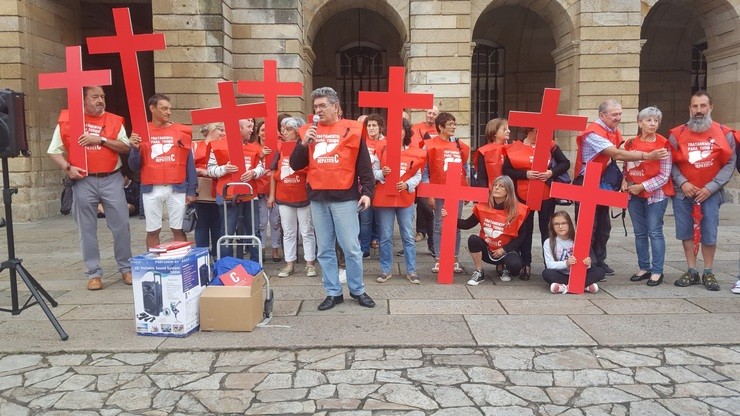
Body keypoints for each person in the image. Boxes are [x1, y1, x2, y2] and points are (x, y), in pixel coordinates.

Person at [289, 87, 376, 310]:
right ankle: (333, 292)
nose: (318, 111)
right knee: (324, 249)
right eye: (315, 107)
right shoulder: (307, 131)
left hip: (345, 197)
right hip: (318, 198)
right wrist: (303, 143)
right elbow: (295, 165)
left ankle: (357, 290)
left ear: (335, 107)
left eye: (322, 106)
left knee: (351, 247)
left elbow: (363, 164)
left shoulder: (353, 129)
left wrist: (367, 192)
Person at [47, 86, 133, 290]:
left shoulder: (114, 120)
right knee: (86, 229)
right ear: (83, 100)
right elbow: (54, 151)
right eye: (95, 97)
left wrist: (101, 140)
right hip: (84, 180)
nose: (100, 100)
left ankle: (126, 268)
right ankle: (94, 273)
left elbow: (126, 147)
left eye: (102, 97)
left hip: (111, 178)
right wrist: (67, 168)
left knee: (121, 225)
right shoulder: (67, 121)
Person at [574, 99, 668, 276]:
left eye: (620, 114)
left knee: (603, 225)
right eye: (614, 114)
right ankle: (588, 263)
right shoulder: (593, 132)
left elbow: (621, 153)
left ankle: (600, 260)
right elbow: (616, 154)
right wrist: (648, 155)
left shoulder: (612, 130)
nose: (618, 118)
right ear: (602, 115)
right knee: (588, 225)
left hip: (602, 181)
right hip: (587, 181)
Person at [668, 91, 736, 291]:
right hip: (684, 193)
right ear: (689, 109)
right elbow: (669, 163)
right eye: (695, 106)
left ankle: (708, 271)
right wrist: (683, 183)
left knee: (709, 232)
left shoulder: (725, 134)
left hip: (711, 194)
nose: (698, 110)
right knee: (685, 232)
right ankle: (691, 270)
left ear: (711, 107)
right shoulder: (676, 134)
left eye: (703, 106)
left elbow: (730, 164)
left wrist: (710, 188)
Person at [129, 93, 197, 249]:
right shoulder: (141, 131)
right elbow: (134, 166)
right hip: (151, 188)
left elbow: (188, 162)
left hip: (176, 187)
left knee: (178, 228)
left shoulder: (181, 131)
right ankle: (154, 263)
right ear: (152, 108)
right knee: (153, 230)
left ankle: (180, 263)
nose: (168, 112)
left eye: (170, 109)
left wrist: (192, 189)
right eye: (164, 108)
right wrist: (134, 149)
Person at [503, 127, 570, 280]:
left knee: (547, 229)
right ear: (529, 131)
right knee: (525, 230)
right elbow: (506, 169)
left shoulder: (551, 145)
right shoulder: (514, 148)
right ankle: (526, 264)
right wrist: (524, 174)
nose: (540, 135)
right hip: (523, 193)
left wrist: (551, 172)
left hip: (545, 193)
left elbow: (565, 163)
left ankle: (550, 264)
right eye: (536, 132)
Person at [621, 106, 673, 287]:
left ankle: (657, 271)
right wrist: (624, 182)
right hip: (633, 194)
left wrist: (642, 186)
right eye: (649, 120)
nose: (653, 123)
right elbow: (626, 166)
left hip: (655, 195)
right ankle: (644, 267)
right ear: (639, 122)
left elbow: (665, 175)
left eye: (656, 120)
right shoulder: (630, 144)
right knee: (639, 232)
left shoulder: (664, 144)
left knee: (654, 232)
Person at [373, 118, 425, 284]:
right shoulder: (381, 148)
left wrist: (407, 184)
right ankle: (385, 269)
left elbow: (418, 175)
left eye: (402, 129)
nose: (399, 132)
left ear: (406, 131)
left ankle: (411, 270)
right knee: (385, 236)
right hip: (385, 199)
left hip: (405, 199)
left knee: (408, 236)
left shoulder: (415, 151)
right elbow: (372, 171)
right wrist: (382, 173)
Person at [450, 175, 528, 285]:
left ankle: (505, 268)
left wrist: (504, 249)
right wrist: (449, 217)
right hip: (488, 250)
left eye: (501, 186)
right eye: (495, 185)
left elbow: (522, 236)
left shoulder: (518, 210)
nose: (496, 188)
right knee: (473, 239)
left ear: (509, 191)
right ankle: (479, 271)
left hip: (506, 251)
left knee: (515, 266)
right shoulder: (484, 206)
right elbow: (467, 224)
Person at [207, 118, 265, 260]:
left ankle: (256, 264)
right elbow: (210, 170)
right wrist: (224, 169)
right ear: (238, 129)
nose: (252, 130)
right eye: (249, 127)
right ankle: (225, 266)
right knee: (227, 232)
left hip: (250, 195)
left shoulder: (255, 148)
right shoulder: (217, 146)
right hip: (227, 195)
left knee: (253, 231)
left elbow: (262, 167)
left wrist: (254, 173)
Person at [268, 117, 317, 278]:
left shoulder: (306, 146)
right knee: (288, 232)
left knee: (307, 231)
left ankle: (310, 264)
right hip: (284, 196)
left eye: (288, 129)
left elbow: (312, 168)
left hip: (303, 196)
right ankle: (289, 264)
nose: (284, 132)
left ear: (297, 132)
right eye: (283, 129)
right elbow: (273, 171)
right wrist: (271, 195)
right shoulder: (280, 147)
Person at [422, 112, 470, 274]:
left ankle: (454, 259)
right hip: (439, 191)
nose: (453, 127)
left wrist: (467, 190)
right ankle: (439, 259)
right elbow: (425, 171)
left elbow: (465, 168)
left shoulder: (459, 144)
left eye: (454, 124)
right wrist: (430, 194)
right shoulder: (430, 144)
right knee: (439, 226)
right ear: (441, 127)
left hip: (456, 192)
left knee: (455, 225)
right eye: (450, 124)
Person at [542, 211, 605, 294]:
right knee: (547, 273)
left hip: (579, 274)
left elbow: (587, 263)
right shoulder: (548, 242)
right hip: (561, 273)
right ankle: (584, 286)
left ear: (569, 225)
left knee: (600, 271)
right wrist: (566, 263)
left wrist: (588, 263)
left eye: (564, 223)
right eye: (556, 224)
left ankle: (564, 287)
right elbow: (549, 264)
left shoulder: (578, 240)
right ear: (552, 226)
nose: (560, 226)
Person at [192, 122, 225, 256]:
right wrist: (201, 170)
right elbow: (186, 168)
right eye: (221, 130)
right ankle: (202, 255)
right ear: (211, 131)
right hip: (202, 190)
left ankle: (217, 255)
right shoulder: (195, 146)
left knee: (218, 225)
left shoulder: (223, 146)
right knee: (202, 224)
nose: (223, 133)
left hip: (218, 189)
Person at [251, 120, 282, 262]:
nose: (265, 133)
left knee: (275, 221)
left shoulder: (279, 147)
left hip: (275, 190)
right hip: (258, 191)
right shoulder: (253, 148)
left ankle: (275, 248)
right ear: (258, 132)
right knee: (262, 222)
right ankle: (261, 248)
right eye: (262, 130)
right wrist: (260, 156)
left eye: (268, 130)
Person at [359, 113, 386, 257]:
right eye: (368, 125)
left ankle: (382, 247)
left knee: (382, 220)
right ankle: (364, 249)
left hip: (381, 187)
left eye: (374, 125)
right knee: (365, 220)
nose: (371, 128)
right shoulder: (361, 142)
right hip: (365, 188)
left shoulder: (387, 143)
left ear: (380, 127)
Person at [412, 106, 439, 245]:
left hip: (436, 168)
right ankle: (420, 231)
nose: (431, 115)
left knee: (429, 202)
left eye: (434, 113)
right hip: (420, 167)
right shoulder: (416, 127)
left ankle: (432, 233)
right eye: (429, 112)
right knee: (421, 201)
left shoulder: (440, 129)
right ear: (425, 113)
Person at [474, 118, 510, 188]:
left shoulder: (513, 149)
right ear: (495, 133)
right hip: (492, 192)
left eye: (508, 129)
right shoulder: (484, 151)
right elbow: (482, 178)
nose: (509, 131)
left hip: (511, 192)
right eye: (504, 129)